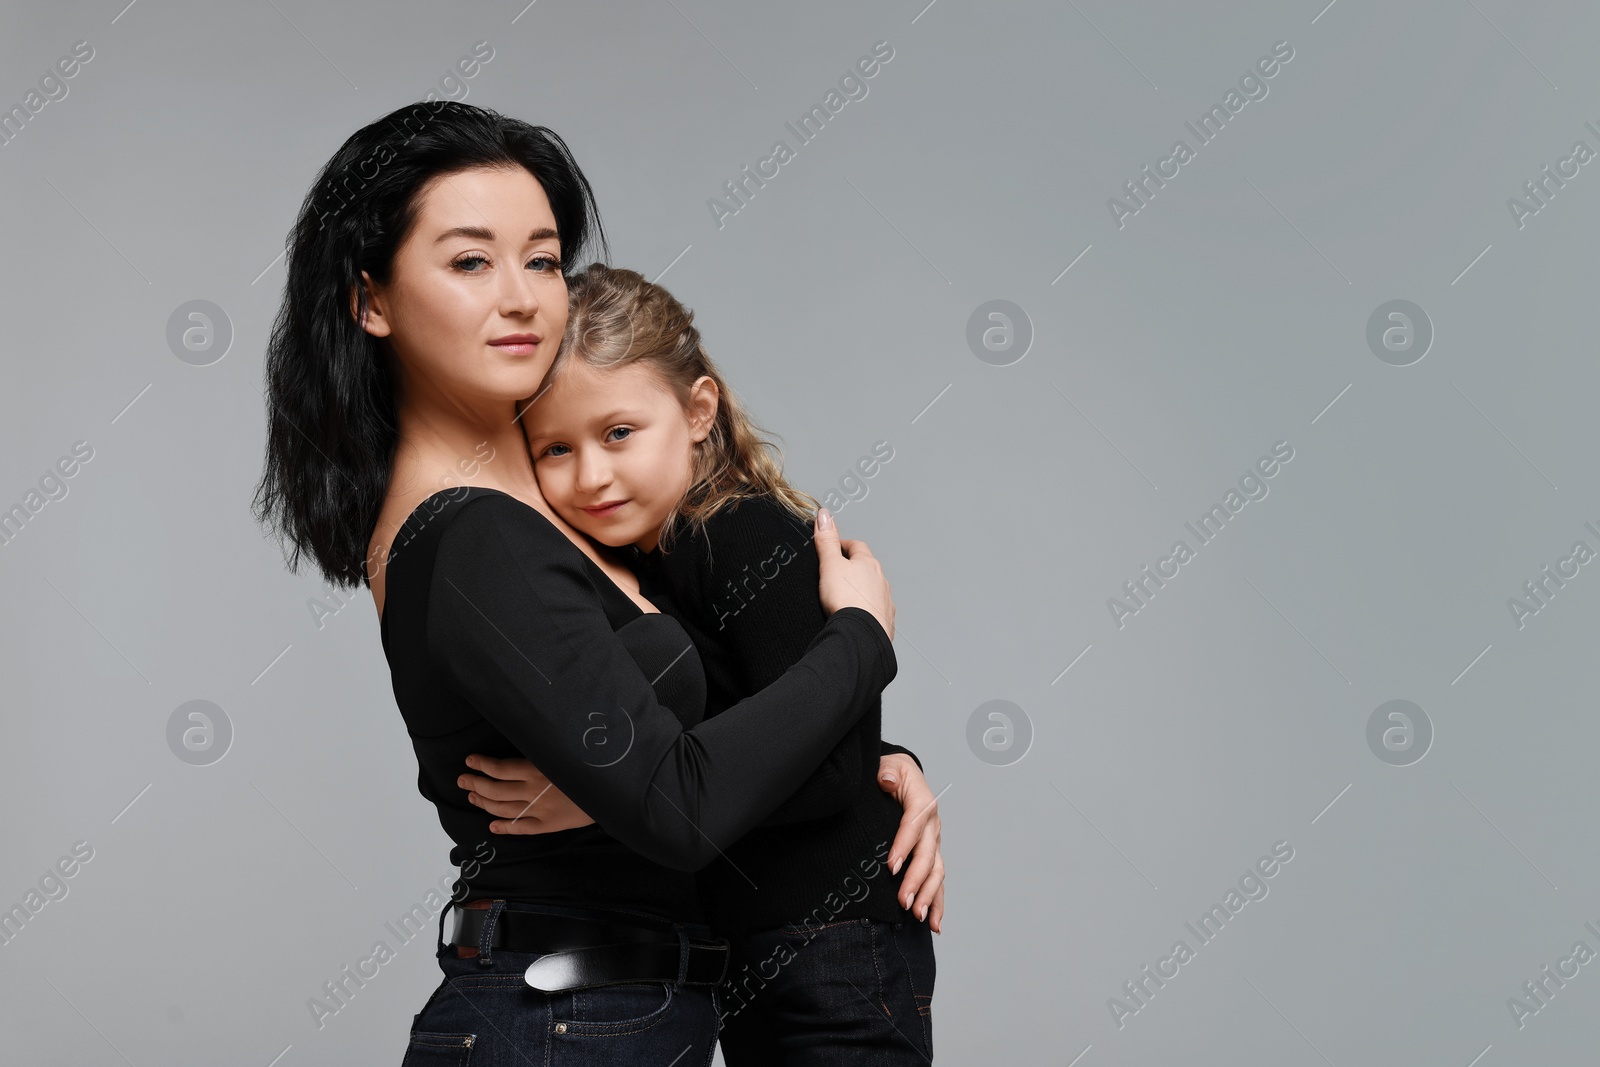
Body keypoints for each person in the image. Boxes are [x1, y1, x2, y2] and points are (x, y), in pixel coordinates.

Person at [252, 100, 928, 1065]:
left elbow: (678, 751)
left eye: (541, 258)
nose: (523, 296)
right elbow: (679, 803)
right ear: (372, 299)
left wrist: (874, 763)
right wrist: (861, 639)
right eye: (470, 261)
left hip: (614, 1018)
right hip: (565, 1020)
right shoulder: (478, 536)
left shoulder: (548, 505)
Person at [456, 263, 940, 1063]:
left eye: (619, 433)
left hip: (836, 946)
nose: (592, 475)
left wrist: (613, 798)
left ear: (698, 410)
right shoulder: (643, 564)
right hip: (756, 948)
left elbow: (828, 769)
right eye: (554, 448)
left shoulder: (734, 532)